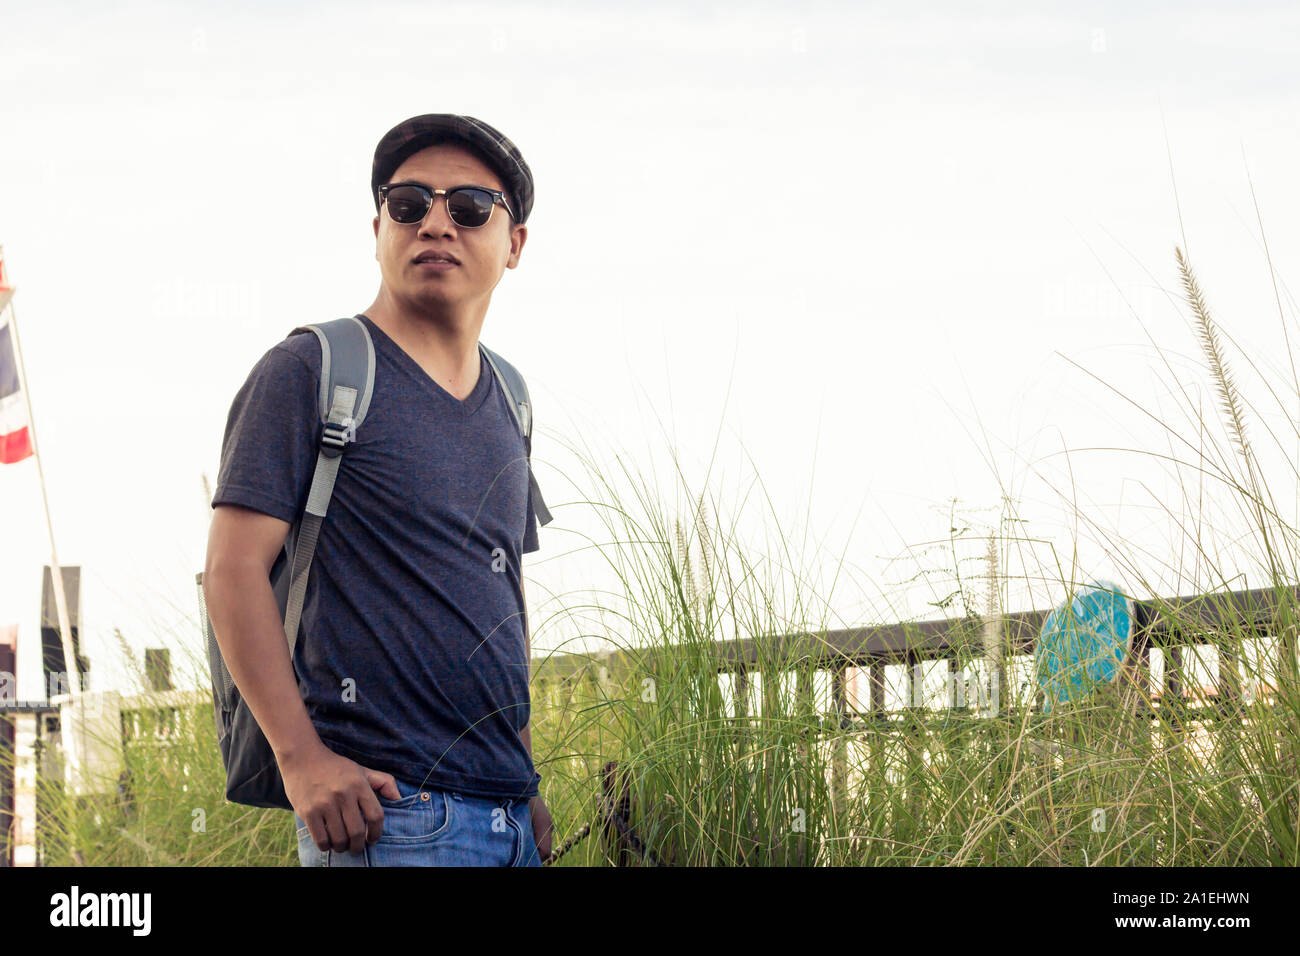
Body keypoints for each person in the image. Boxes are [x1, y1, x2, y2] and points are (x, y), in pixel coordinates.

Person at [203, 114, 552, 866]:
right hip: (388, 818)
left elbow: (503, 596)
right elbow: (232, 571)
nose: (435, 222)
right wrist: (301, 762)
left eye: (468, 207)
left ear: (513, 242)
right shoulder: (310, 371)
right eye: (408, 203)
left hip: (509, 818)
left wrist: (526, 779)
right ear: (378, 227)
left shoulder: (512, 402)